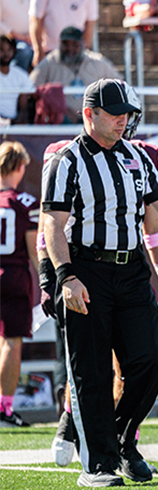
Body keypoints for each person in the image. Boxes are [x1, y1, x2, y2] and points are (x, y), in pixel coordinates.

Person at [41, 78, 158, 487]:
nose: (123, 122)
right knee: (92, 372)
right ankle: (98, 464)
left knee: (150, 362)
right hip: (87, 267)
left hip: (131, 268)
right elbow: (53, 224)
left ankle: (119, 436)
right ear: (89, 114)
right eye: (115, 114)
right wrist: (65, 276)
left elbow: (154, 220)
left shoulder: (138, 158)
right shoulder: (66, 160)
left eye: (127, 114)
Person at [0, 142, 38, 428]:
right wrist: (47, 281)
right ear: (20, 166)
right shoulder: (25, 202)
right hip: (13, 274)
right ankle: (5, 408)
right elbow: (34, 250)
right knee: (12, 343)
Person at [29, 26, 121, 124]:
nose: (70, 48)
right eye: (65, 44)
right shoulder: (49, 62)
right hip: (62, 119)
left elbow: (119, 85)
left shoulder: (97, 62)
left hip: (93, 119)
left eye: (75, 44)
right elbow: (31, 89)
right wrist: (62, 109)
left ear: (83, 45)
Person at [28, 0, 97, 67]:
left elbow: (90, 25)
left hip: (75, 53)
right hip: (49, 53)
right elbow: (35, 21)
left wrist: (84, 53)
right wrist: (38, 51)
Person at [0, 35, 34, 125]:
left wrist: (18, 122)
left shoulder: (21, 75)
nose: (6, 53)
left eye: (9, 50)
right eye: (2, 50)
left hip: (12, 124)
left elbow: (24, 104)